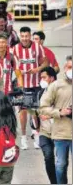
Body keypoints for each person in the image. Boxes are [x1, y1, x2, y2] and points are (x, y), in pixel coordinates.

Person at [13, 26, 48, 150]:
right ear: (20, 36)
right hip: (22, 85)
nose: (24, 38)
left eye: (26, 36)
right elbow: (13, 66)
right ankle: (23, 137)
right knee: (22, 112)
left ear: (30, 35)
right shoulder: (15, 49)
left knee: (35, 112)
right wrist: (19, 73)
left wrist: (37, 69)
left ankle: (37, 135)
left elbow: (45, 62)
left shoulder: (37, 47)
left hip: (35, 84)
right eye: (22, 36)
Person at [39, 55, 72, 184]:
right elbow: (43, 107)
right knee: (60, 165)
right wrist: (59, 112)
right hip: (61, 133)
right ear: (64, 68)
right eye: (70, 67)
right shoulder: (56, 86)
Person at [36, 67, 57, 184]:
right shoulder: (41, 93)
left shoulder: (62, 93)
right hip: (44, 132)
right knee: (48, 157)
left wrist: (50, 115)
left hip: (59, 132)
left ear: (52, 78)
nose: (41, 80)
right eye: (41, 78)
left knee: (61, 162)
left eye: (44, 77)